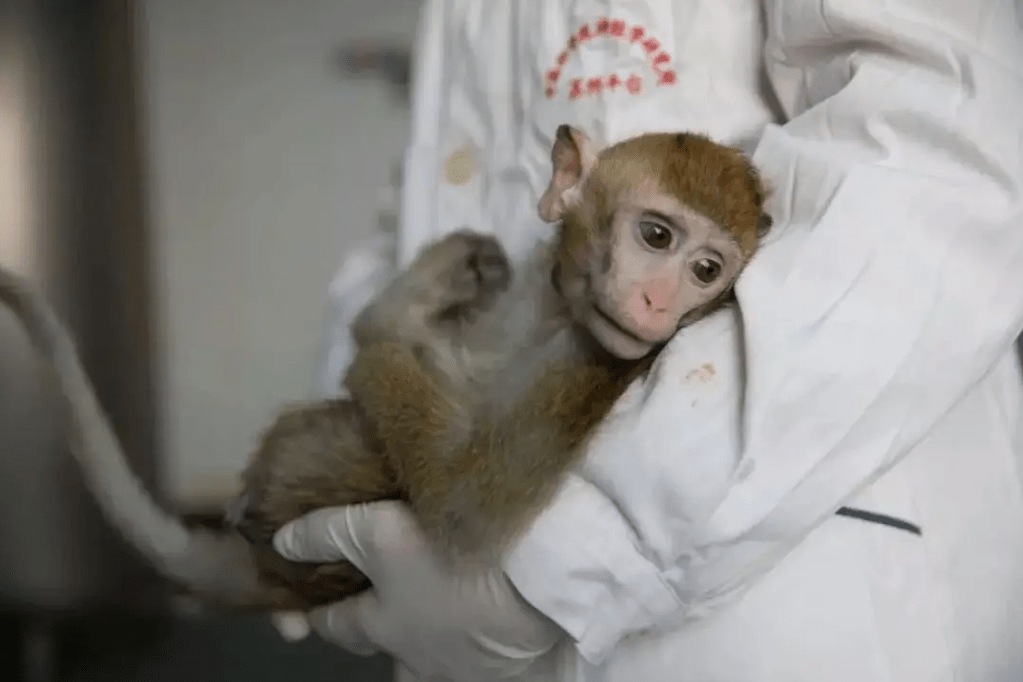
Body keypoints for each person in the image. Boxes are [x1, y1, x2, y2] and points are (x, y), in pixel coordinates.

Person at [273, 0, 1023, 680]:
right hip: (453, 566)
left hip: (777, 603)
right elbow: (418, 216)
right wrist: (335, 490)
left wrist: (577, 550)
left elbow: (943, 147)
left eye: (698, 265)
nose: (655, 301)